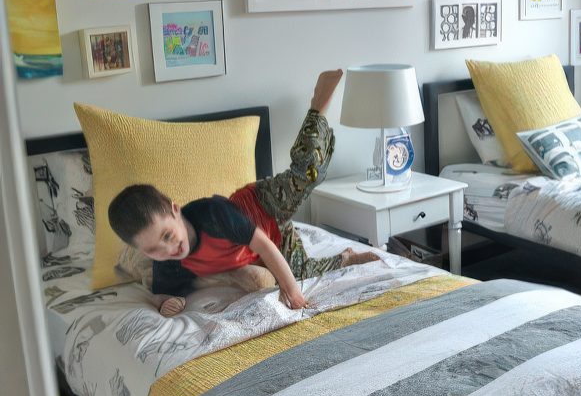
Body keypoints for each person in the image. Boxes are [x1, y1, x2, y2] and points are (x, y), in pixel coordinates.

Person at [108, 70, 379, 317]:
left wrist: (292, 293)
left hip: (263, 206)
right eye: (154, 250)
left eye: (168, 235)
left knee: (308, 174)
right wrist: (164, 302)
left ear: (175, 211)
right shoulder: (168, 263)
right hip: (272, 241)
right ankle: (347, 257)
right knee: (300, 271)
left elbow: (262, 244)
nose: (169, 249)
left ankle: (318, 106)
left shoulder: (212, 214)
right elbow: (163, 292)